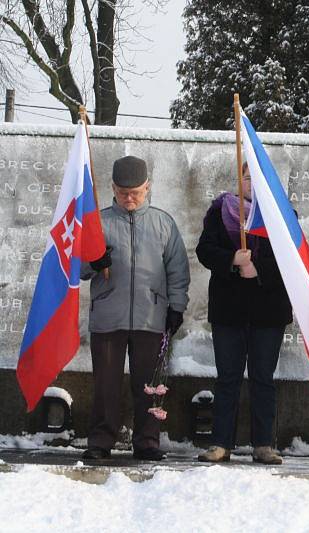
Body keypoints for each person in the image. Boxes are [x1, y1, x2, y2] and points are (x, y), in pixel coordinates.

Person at [81, 156, 190, 461]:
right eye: (122, 192)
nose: (129, 199)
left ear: (147, 188)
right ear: (113, 188)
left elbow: (178, 270)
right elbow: (77, 268)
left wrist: (176, 307)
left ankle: (147, 442)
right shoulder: (98, 223)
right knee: (106, 384)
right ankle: (101, 441)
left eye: (136, 193)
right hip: (107, 317)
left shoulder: (162, 223)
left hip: (150, 317)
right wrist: (93, 262)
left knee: (151, 386)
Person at [195, 163, 292, 465]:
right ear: (238, 180)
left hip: (268, 311)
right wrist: (232, 259)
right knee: (228, 378)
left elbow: (291, 257)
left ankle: (263, 444)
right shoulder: (219, 210)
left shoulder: (280, 213)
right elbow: (204, 250)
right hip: (229, 310)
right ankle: (222, 443)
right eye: (246, 178)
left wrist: (257, 269)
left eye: (256, 179)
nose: (251, 184)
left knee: (263, 378)